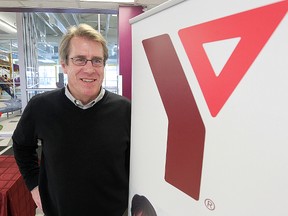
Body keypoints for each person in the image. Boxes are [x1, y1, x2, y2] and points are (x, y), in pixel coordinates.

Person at [12, 23, 131, 216]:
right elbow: (21, 145)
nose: (89, 69)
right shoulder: (41, 107)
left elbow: (134, 162)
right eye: (80, 60)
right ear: (64, 65)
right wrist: (34, 185)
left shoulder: (125, 110)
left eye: (96, 61)